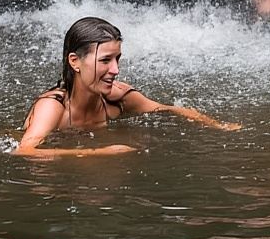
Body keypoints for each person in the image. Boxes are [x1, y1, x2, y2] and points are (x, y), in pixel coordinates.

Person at [14, 17, 240, 157]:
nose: (115, 69)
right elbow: (25, 151)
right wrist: (100, 152)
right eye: (105, 60)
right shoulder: (53, 107)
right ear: (75, 62)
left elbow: (168, 109)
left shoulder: (117, 97)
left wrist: (219, 126)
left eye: (117, 59)